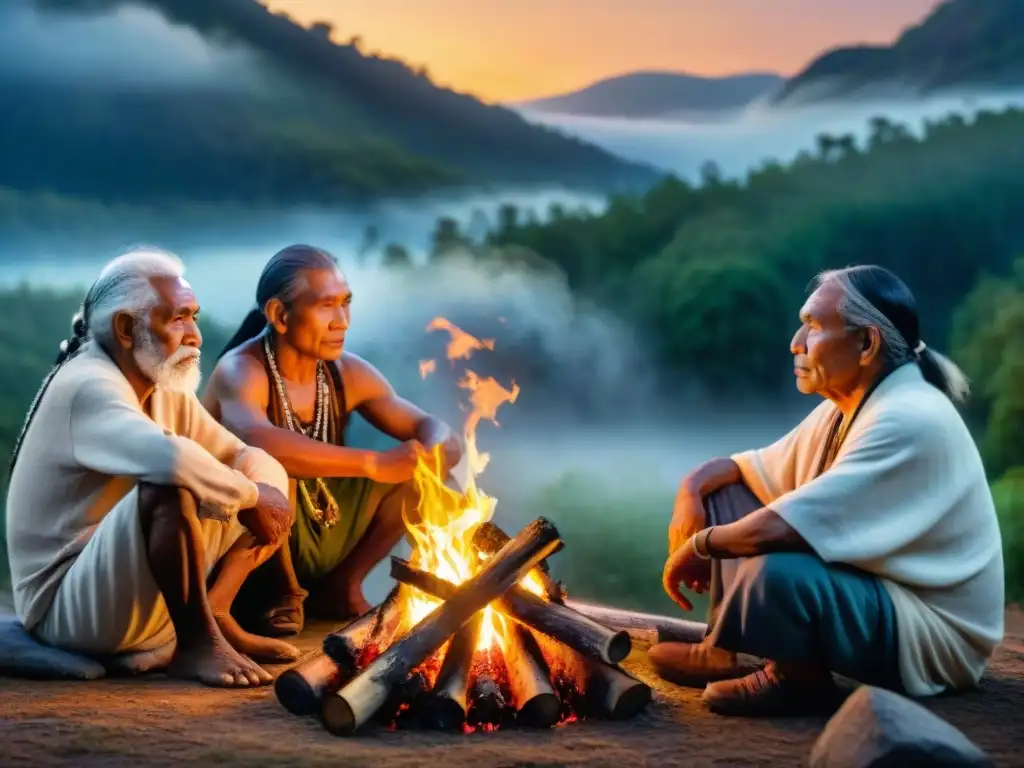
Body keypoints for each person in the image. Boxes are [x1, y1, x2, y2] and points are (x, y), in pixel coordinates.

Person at [655, 265, 1005, 716]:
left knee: (774, 570)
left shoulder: (907, 417)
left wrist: (701, 546)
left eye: (814, 326)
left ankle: (796, 681)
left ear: (866, 343)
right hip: (877, 592)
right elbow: (745, 470)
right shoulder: (846, 405)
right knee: (723, 499)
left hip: (932, 634)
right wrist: (692, 489)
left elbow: (781, 529)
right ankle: (721, 649)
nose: (796, 342)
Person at [5, 247, 299, 688]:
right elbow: (172, 460)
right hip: (66, 609)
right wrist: (254, 497)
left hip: (132, 600)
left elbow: (238, 455)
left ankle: (214, 615)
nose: (195, 335)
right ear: (126, 328)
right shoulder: (86, 386)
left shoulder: (161, 381)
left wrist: (264, 490)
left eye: (194, 316)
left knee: (263, 472)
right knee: (169, 487)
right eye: (178, 318)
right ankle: (197, 644)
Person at [202, 245, 461, 636]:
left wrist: (429, 455)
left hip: (320, 525)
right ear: (279, 315)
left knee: (422, 481)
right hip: (245, 548)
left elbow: (434, 429)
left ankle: (342, 587)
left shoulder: (348, 374)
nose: (341, 321)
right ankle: (278, 594)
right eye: (325, 306)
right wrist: (374, 464)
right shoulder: (241, 370)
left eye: (346, 304)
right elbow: (256, 437)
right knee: (271, 469)